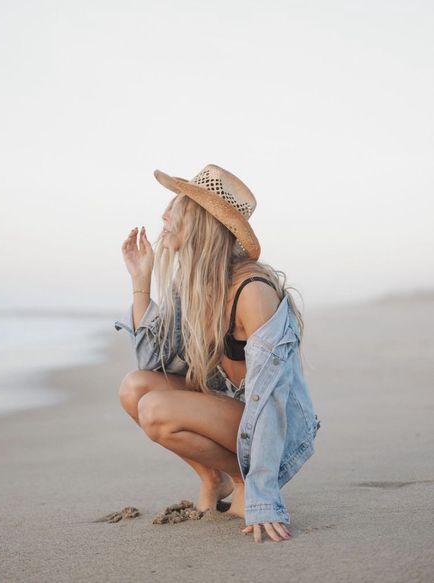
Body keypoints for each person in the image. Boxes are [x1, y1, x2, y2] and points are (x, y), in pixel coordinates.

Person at [115, 163, 321, 544]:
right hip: (227, 412)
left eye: (178, 203)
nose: (164, 214)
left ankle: (243, 482)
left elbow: (269, 398)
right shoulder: (194, 282)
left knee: (154, 409)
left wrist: (263, 496)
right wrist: (140, 282)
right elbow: (153, 363)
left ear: (202, 219)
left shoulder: (252, 291)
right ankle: (215, 478)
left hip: (269, 429)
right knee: (134, 389)